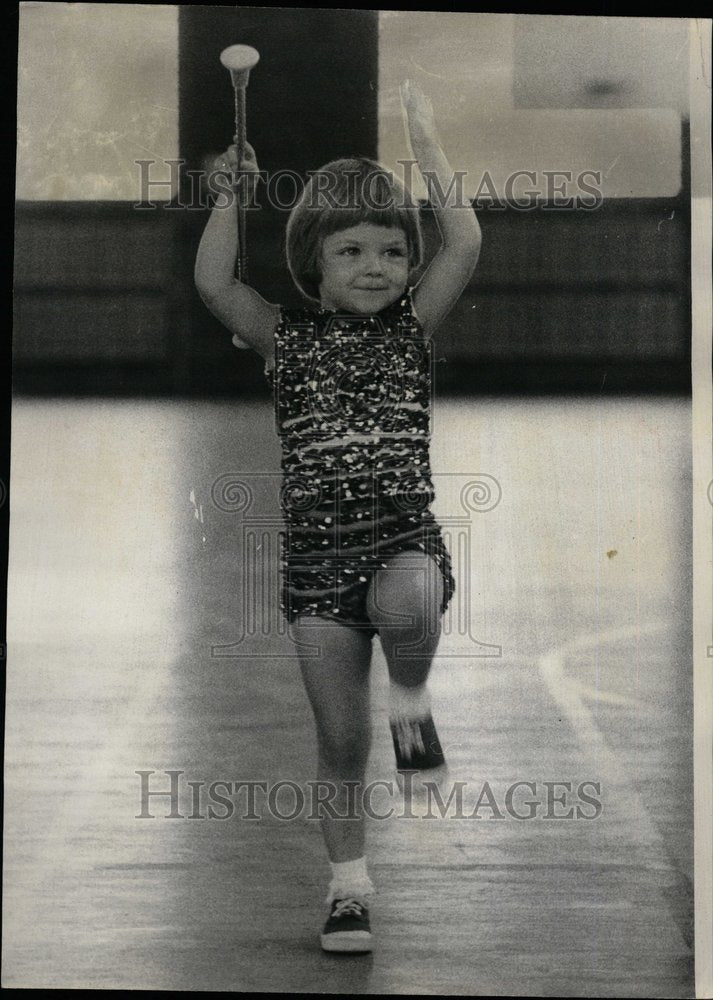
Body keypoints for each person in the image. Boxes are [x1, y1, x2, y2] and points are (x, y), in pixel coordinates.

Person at [195, 80, 481, 954]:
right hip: (317, 570)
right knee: (338, 739)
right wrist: (228, 196)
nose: (375, 268)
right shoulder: (283, 338)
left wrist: (425, 142)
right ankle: (347, 890)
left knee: (407, 604)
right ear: (312, 261)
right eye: (351, 251)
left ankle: (412, 696)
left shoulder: (411, 328)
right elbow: (214, 280)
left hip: (402, 541)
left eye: (392, 253)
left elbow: (462, 237)